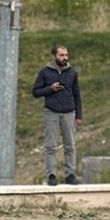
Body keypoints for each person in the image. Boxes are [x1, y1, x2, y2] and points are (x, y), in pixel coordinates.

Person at [31, 43, 82, 186]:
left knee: (70, 145)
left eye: (66, 55)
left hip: (69, 113)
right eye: (61, 55)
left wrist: (78, 115)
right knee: (50, 146)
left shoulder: (72, 72)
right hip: (51, 113)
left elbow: (77, 95)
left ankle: (70, 174)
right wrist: (50, 88)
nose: (64, 57)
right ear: (54, 56)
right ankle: (51, 175)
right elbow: (36, 92)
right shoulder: (45, 72)